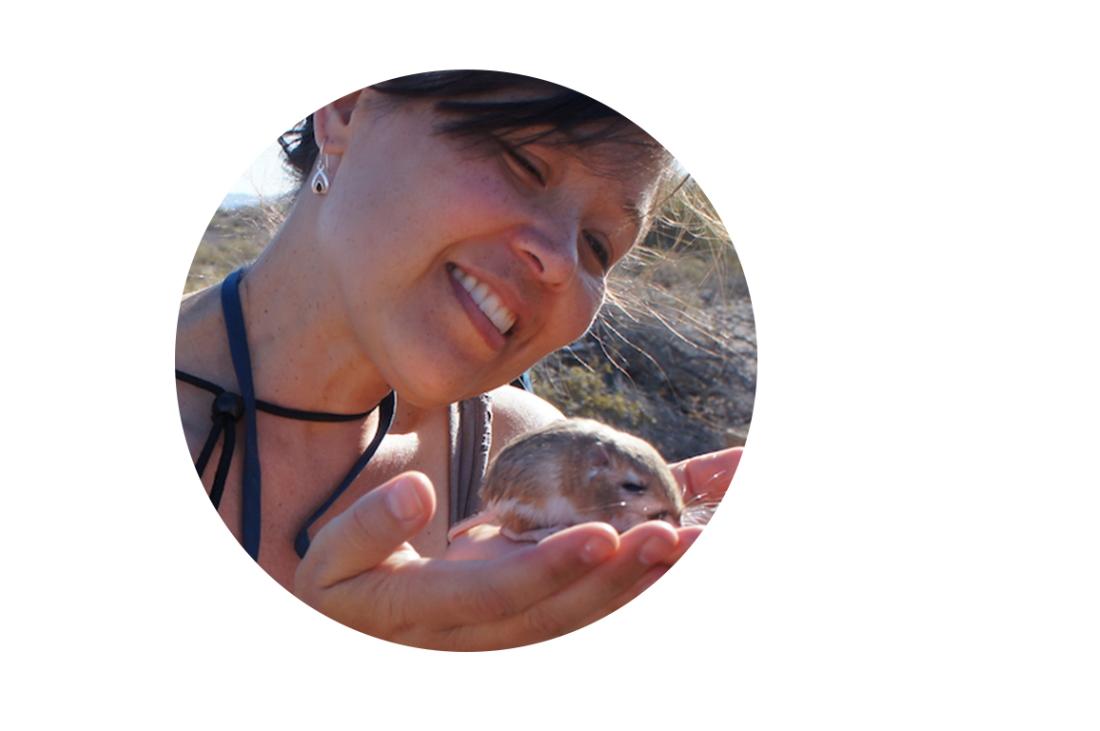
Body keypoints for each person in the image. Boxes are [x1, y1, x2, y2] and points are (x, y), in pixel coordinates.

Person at [174, 71, 743, 650]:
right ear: (346, 109)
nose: (559, 261)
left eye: (598, 247)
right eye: (523, 164)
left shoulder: (520, 452)